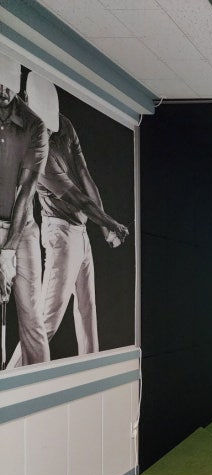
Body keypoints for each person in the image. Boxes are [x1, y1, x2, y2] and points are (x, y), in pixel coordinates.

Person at [4, 74, 129, 368]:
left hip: (80, 229)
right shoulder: (39, 151)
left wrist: (103, 227)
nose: (48, 128)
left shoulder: (64, 126)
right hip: (59, 234)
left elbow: (86, 177)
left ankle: (91, 372)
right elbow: (77, 198)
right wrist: (110, 223)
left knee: (87, 308)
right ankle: (11, 377)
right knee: (47, 319)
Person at [0, 54, 49, 367]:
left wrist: (7, 252)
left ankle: (42, 388)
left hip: (23, 228)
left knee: (31, 317)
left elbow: (25, 191)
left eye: (7, 83)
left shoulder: (35, 126)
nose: (2, 90)